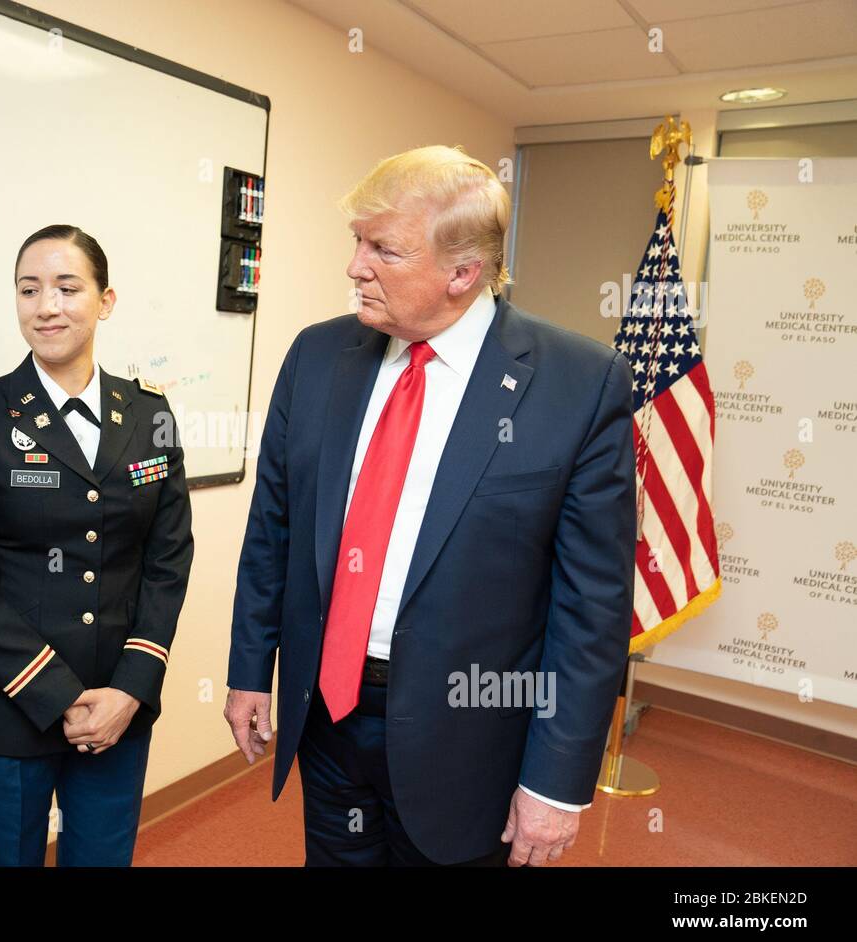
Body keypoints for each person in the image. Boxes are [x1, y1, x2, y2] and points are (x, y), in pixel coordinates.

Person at [224, 146, 636, 867]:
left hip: (471, 744)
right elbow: (273, 530)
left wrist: (557, 782)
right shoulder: (318, 357)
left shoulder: (578, 383)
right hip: (328, 719)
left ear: (462, 273)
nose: (356, 265)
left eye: (383, 248)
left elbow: (591, 609)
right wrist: (251, 668)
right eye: (357, 241)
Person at [0, 224, 193, 867]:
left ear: (105, 301)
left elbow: (167, 560)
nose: (46, 306)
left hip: (117, 705)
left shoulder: (150, 411)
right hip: (5, 707)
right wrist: (60, 694)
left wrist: (130, 688)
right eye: (29, 289)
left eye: (67, 288)